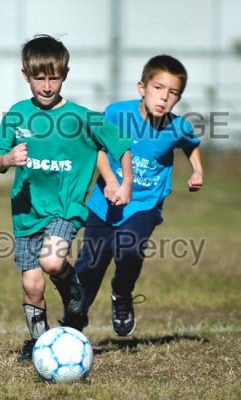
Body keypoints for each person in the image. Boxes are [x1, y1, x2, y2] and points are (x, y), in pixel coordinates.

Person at [0, 34, 133, 361]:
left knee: (52, 261)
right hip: (26, 213)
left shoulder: (81, 117)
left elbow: (121, 145)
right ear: (26, 75)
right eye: (40, 78)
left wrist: (125, 185)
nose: (47, 86)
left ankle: (71, 286)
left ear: (65, 75)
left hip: (65, 208)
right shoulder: (18, 114)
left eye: (54, 78)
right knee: (32, 287)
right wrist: (7, 160)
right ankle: (41, 345)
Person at [71, 54, 203, 336]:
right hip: (103, 203)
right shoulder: (117, 114)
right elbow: (99, 149)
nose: (164, 98)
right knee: (89, 265)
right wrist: (109, 181)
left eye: (173, 93)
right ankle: (73, 323)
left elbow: (191, 144)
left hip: (143, 204)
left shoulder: (178, 127)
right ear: (142, 87)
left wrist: (197, 171)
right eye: (158, 88)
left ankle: (121, 293)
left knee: (128, 248)